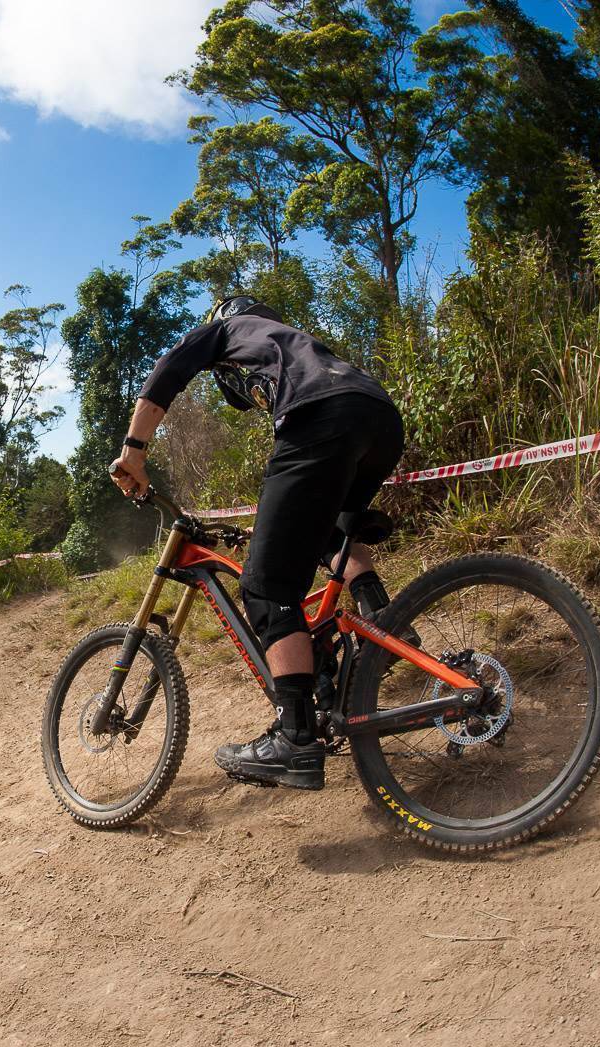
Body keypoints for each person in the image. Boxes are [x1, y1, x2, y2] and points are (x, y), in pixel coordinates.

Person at [108, 295, 405, 791]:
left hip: (319, 417)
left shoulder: (227, 329)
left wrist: (134, 452)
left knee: (266, 588)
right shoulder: (293, 343)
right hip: (377, 416)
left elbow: (170, 366)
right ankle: (382, 619)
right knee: (331, 529)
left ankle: (294, 740)